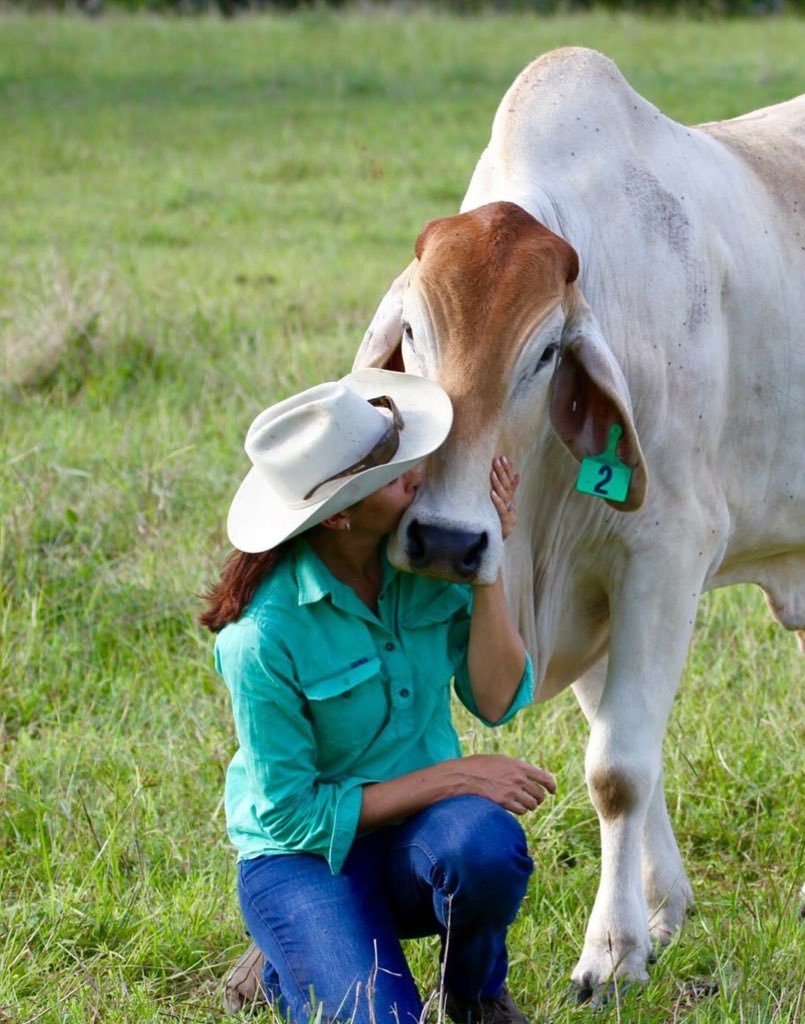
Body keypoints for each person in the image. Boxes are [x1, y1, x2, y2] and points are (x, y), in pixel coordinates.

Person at [199, 369, 556, 1024]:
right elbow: (293, 819)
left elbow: (498, 699)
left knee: (484, 844)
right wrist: (453, 776)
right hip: (305, 861)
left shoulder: (421, 560)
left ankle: (474, 996)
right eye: (396, 478)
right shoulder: (262, 639)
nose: (419, 478)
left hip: (414, 841)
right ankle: (290, 960)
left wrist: (487, 563)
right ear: (339, 515)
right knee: (377, 1017)